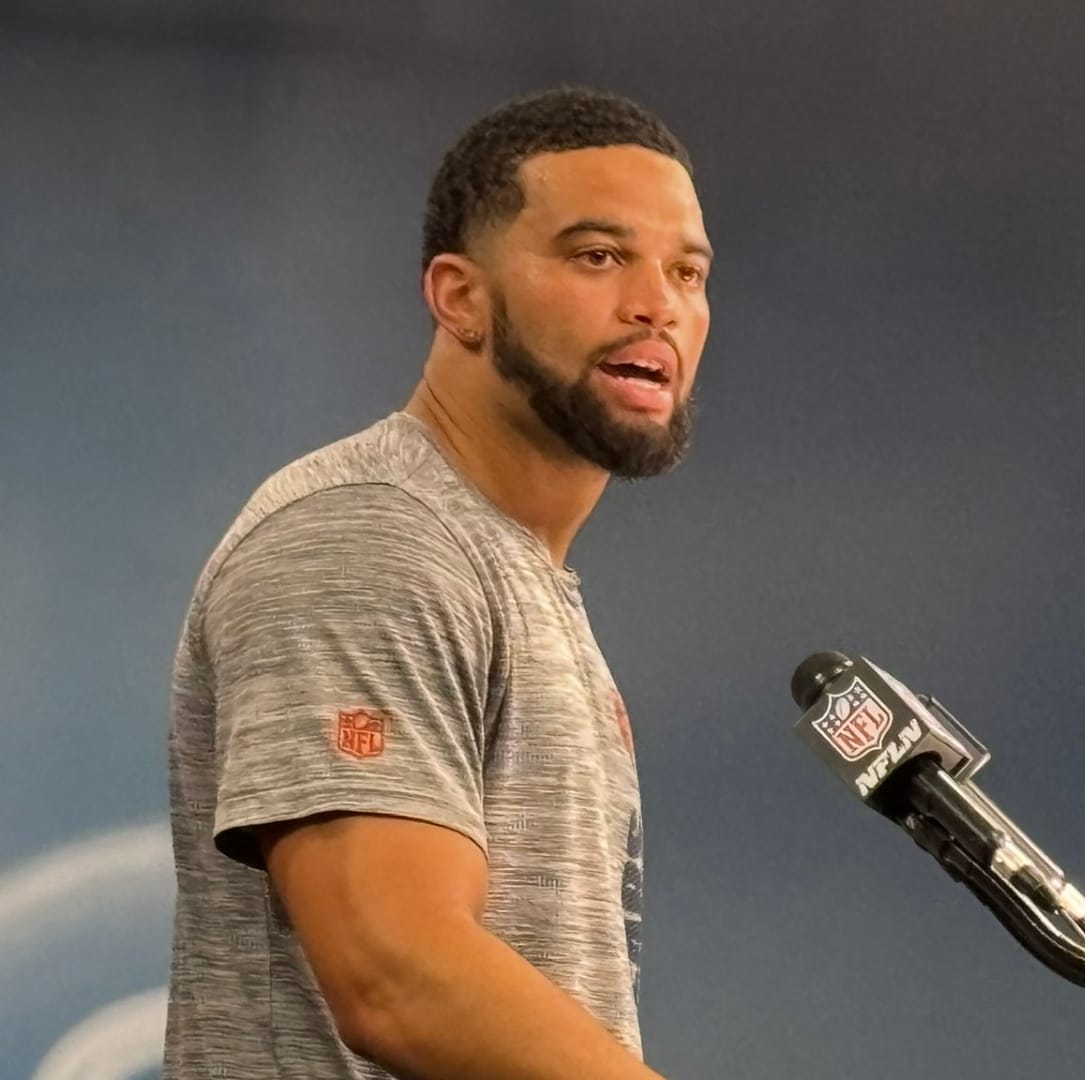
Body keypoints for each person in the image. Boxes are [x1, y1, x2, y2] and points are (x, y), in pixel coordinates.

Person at [163, 85, 712, 1080]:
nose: (657, 303)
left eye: (686, 270)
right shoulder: (367, 536)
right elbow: (394, 974)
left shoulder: (509, 568)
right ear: (460, 297)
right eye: (598, 257)